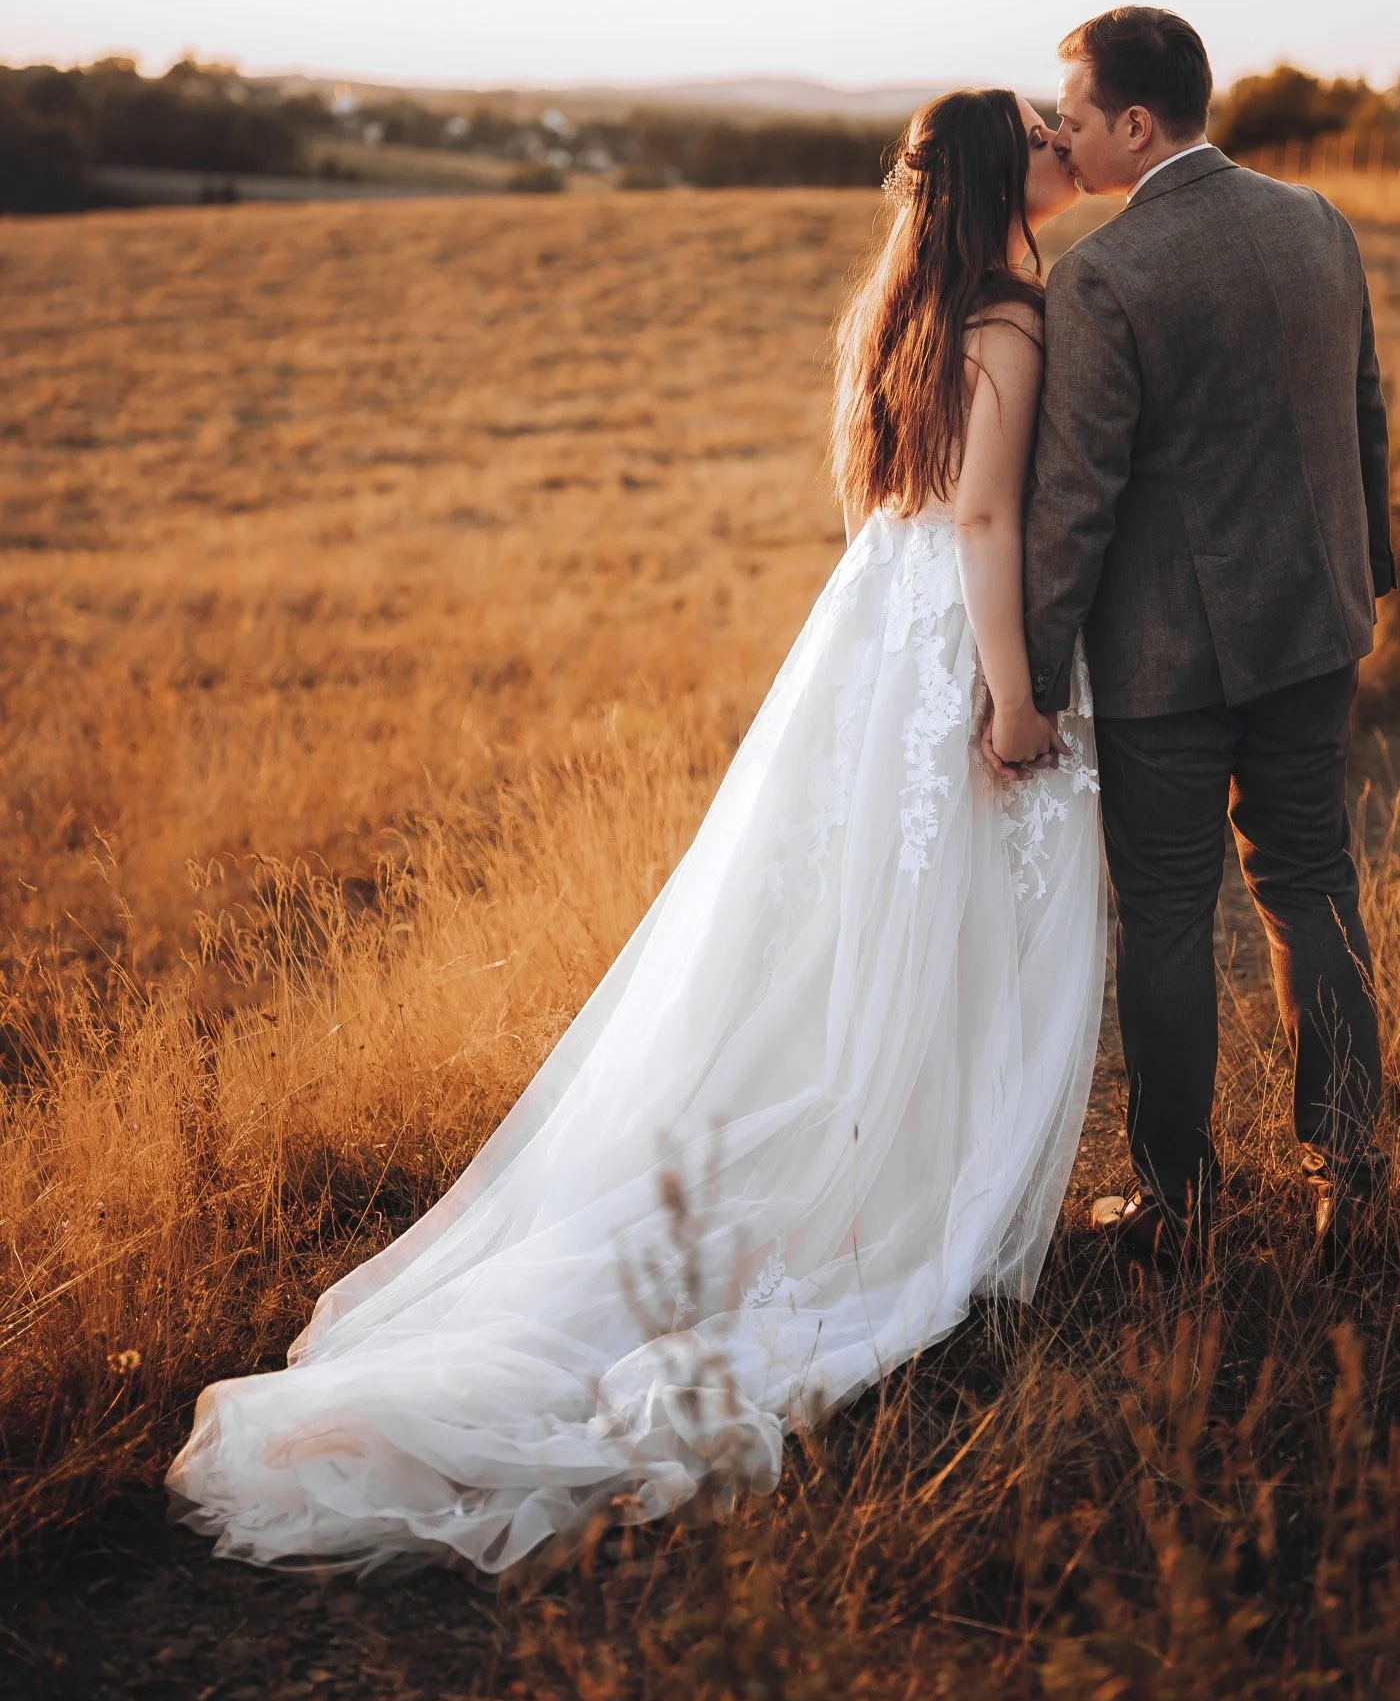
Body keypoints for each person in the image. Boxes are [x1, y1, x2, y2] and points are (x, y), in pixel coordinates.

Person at [167, 88, 1104, 1577]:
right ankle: (910, 1202)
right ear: (1009, 172)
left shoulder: (903, 303)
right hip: (942, 650)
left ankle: (903, 1157)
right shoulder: (1004, 322)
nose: (1066, 144)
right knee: (941, 935)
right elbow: (984, 522)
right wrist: (1009, 697)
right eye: (1046, 134)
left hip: (870, 634)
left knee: (857, 933)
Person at [1009, 6, 1394, 1272]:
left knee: (1166, 918)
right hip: (1312, 630)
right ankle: (1350, 1177)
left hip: (1165, 664)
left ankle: (1178, 1209)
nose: (1061, 133)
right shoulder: (1317, 222)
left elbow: (1074, 497)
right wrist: (1366, 577)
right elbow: (1363, 413)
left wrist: (1032, 670)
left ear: (1132, 122)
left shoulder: (1102, 276)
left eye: (1071, 114)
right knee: (1310, 890)